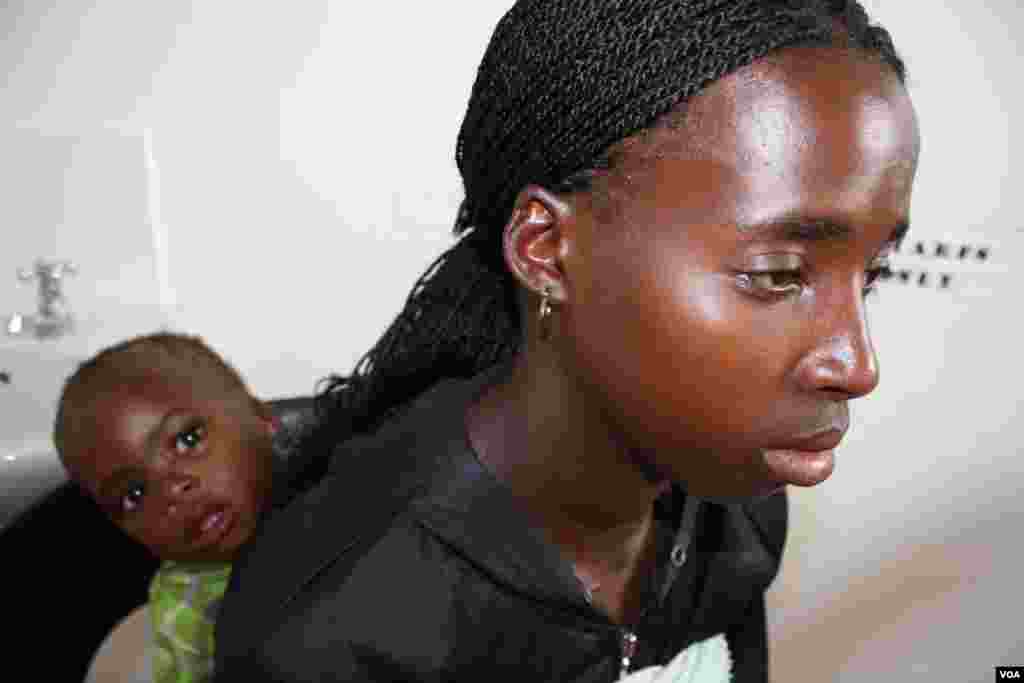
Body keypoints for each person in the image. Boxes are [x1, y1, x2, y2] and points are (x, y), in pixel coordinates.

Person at [214, 1, 921, 681]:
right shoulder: (330, 629)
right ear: (548, 248)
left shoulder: (735, 501)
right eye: (778, 273)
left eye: (873, 274)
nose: (857, 364)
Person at [54, 332, 319, 683]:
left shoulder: (338, 488)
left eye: (187, 440)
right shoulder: (184, 609)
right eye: (134, 494)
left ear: (260, 417)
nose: (172, 490)